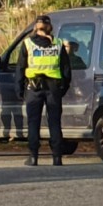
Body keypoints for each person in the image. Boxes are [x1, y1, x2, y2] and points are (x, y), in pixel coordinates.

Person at [17, 14, 72, 166]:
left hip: (33, 87)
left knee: (33, 122)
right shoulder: (58, 44)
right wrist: (63, 88)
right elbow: (66, 69)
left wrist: (20, 89)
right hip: (54, 87)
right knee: (54, 122)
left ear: (35, 27)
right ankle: (57, 157)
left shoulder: (27, 44)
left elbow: (20, 68)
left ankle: (33, 157)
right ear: (50, 27)